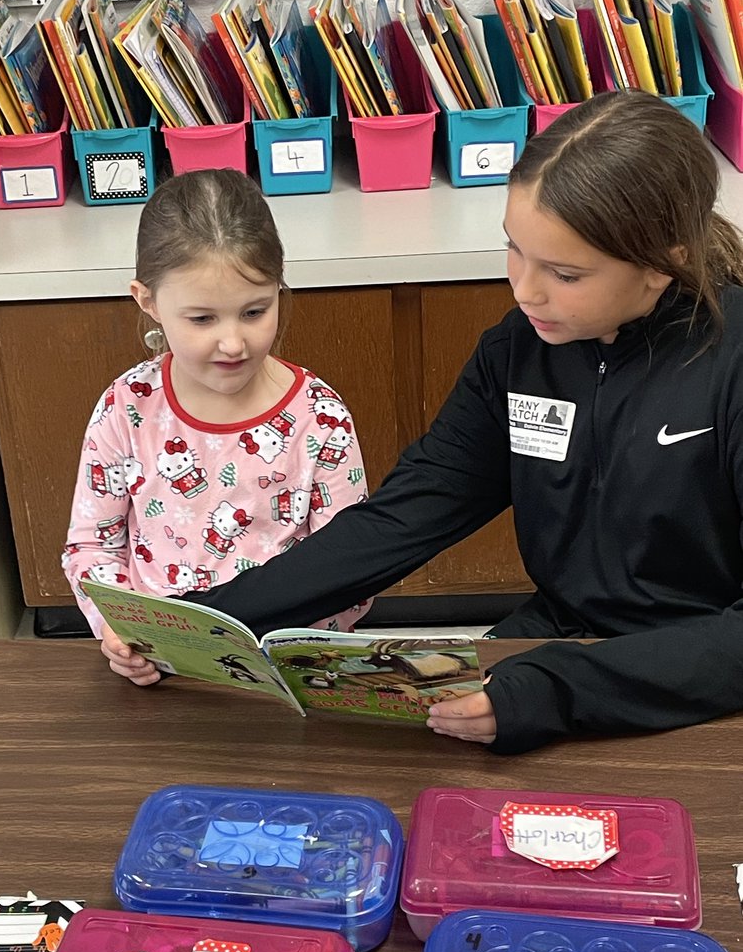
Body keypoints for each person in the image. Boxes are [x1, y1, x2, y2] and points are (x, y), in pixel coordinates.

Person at [181, 91, 743, 754]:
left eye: (565, 274)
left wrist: (558, 691)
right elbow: (410, 513)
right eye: (515, 249)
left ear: (662, 265)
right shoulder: (518, 351)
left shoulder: (730, 365)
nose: (524, 290)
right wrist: (203, 624)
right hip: (558, 640)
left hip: (702, 671)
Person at [63, 168, 370, 683]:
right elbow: (92, 546)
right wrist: (117, 630)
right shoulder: (128, 406)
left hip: (288, 672)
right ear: (147, 300)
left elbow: (353, 566)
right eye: (202, 319)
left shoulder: (320, 416)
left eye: (254, 312)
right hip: (163, 667)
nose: (233, 343)